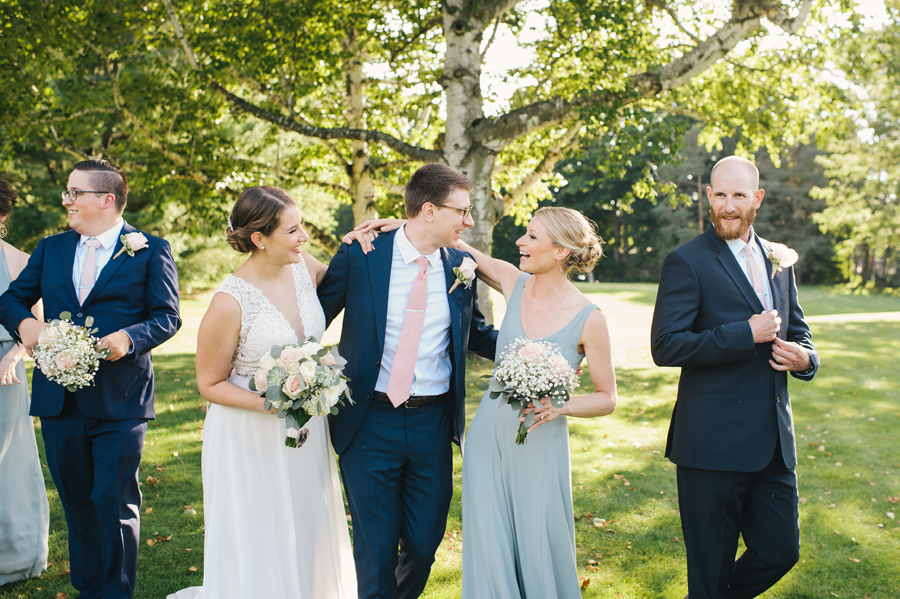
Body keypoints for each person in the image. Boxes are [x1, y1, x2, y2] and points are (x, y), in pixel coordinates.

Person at [0, 160, 182, 599]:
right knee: (78, 506)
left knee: (115, 505)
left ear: (106, 199)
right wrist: (28, 328)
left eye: (74, 193)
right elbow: (13, 299)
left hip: (120, 399)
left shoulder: (151, 249)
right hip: (59, 400)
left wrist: (129, 337)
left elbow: (167, 316)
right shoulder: (53, 247)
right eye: (66, 192)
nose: (66, 201)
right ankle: (88, 591)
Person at [317, 163, 498, 599]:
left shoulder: (461, 266)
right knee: (376, 549)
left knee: (421, 545)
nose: (469, 221)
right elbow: (313, 319)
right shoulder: (362, 254)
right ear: (430, 211)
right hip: (367, 421)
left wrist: (540, 351)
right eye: (463, 211)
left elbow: (475, 332)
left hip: (433, 424)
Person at [168, 186, 357, 599]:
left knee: (307, 515)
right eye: (293, 230)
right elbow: (209, 383)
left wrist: (369, 238)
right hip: (249, 431)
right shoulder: (229, 301)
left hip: (305, 425)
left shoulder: (303, 266)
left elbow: (350, 277)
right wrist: (275, 404)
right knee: (260, 522)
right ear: (260, 239)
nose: (303, 236)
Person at [650, 156, 819, 599]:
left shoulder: (779, 260)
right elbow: (666, 345)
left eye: (738, 195)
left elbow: (799, 330)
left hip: (773, 447)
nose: (727, 205)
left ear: (756, 199)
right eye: (719, 194)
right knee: (709, 568)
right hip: (711, 446)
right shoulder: (685, 261)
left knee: (781, 551)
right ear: (708, 196)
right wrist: (743, 333)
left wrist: (805, 358)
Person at [448, 206, 617, 598]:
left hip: (540, 441)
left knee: (538, 540)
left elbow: (607, 397)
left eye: (532, 236)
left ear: (560, 251)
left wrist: (563, 406)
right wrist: (401, 226)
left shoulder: (590, 318)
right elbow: (456, 246)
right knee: (489, 541)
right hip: (488, 436)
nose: (520, 242)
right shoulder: (514, 282)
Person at [0, 179, 49, 585]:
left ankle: (15, 555)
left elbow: (37, 324)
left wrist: (14, 355)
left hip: (4, 374)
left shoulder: (19, 261)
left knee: (8, 461)